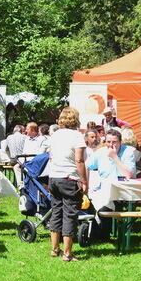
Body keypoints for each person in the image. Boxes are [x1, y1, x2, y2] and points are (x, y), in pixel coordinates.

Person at [47, 107, 87, 262]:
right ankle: (67, 253)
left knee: (56, 211)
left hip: (54, 177)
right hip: (69, 178)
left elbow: (51, 156)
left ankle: (54, 249)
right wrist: (84, 181)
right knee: (70, 214)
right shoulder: (77, 136)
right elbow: (79, 160)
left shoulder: (55, 134)